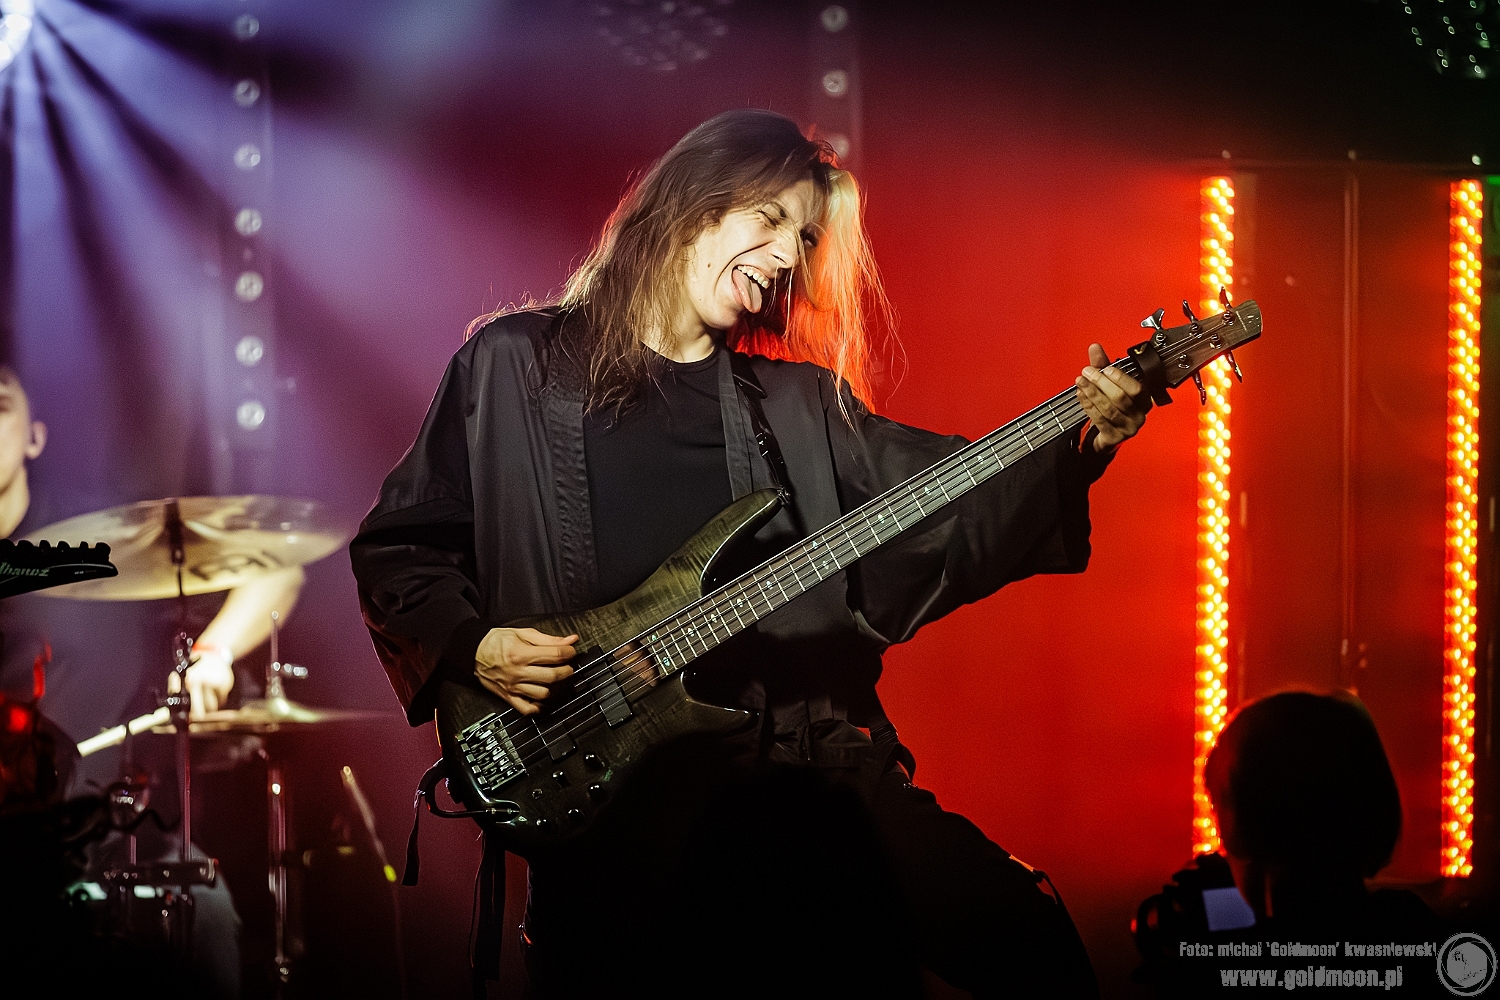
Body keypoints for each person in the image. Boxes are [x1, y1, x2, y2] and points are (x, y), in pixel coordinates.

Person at [351, 109, 1150, 998]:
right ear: (690, 206)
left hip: (796, 775)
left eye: (803, 237)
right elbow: (403, 545)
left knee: (1027, 941)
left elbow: (949, 502)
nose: (786, 256)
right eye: (768, 220)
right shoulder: (513, 366)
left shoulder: (800, 407)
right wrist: (472, 647)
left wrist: (1083, 443)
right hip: (607, 797)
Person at [0, 361, 304, 997]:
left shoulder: (90, 547)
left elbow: (278, 569)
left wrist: (213, 653)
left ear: (35, 435)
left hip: (107, 838)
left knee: (208, 915)